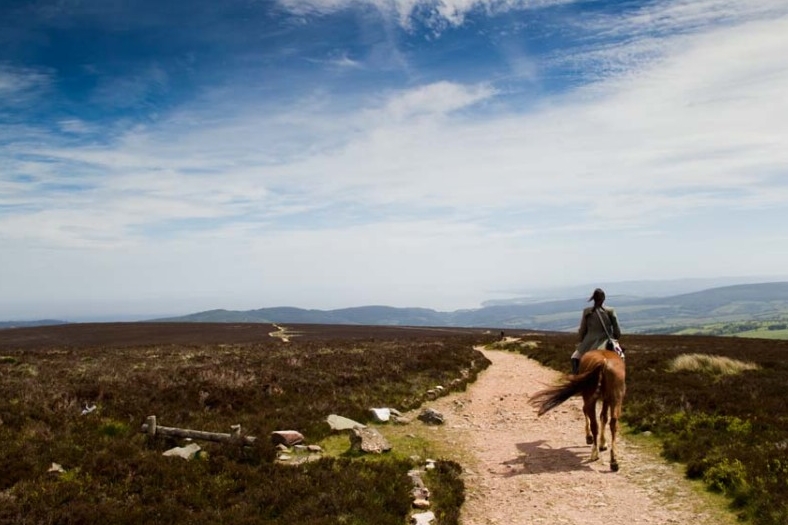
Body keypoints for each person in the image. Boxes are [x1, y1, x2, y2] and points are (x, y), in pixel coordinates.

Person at [570, 288, 621, 374]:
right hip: (607, 341)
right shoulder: (610, 311)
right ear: (604, 298)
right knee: (621, 357)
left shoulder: (587, 312)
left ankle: (576, 378)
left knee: (574, 357)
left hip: (589, 342)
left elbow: (582, 330)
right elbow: (617, 330)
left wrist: (582, 341)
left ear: (593, 299)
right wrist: (615, 337)